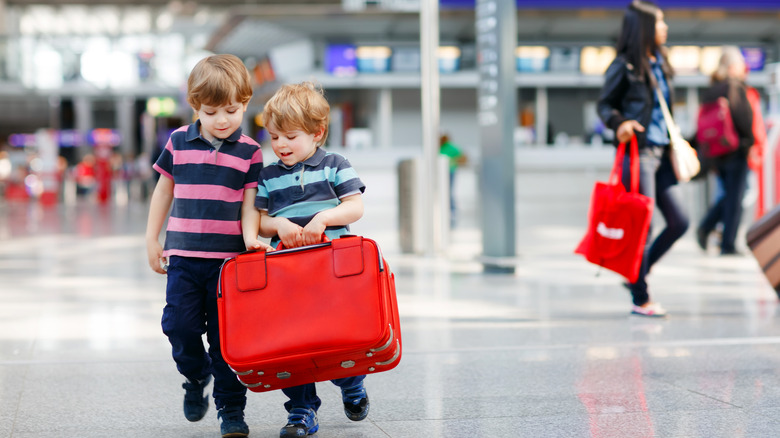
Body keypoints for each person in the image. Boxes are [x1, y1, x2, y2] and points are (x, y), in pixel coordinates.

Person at [145, 54, 273, 438]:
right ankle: (196, 375)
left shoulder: (250, 151)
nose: (222, 120)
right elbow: (164, 188)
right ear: (194, 105)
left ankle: (231, 411)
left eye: (232, 110)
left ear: (246, 104)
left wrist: (252, 241)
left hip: (229, 264)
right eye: (211, 110)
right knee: (178, 326)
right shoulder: (178, 141)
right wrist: (152, 237)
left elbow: (251, 202)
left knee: (226, 343)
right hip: (183, 257)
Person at [246, 81, 367, 437]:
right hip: (287, 277)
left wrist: (323, 219)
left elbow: (355, 206)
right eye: (274, 137)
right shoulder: (267, 176)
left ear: (318, 132)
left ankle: (351, 382)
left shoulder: (334, 165)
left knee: (336, 338)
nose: (281, 145)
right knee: (292, 345)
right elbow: (260, 221)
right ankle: (301, 409)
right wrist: (278, 224)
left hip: (331, 274)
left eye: (290, 136)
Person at [597, 0, 687, 318]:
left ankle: (637, 272)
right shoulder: (625, 65)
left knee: (679, 221)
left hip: (662, 153)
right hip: (639, 153)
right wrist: (619, 122)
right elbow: (605, 105)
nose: (665, 28)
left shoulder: (660, 62)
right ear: (646, 28)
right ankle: (641, 298)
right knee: (642, 227)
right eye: (660, 23)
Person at [695, 47, 755, 256]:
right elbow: (743, 118)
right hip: (735, 150)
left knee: (729, 195)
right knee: (735, 197)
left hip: (716, 151)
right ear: (731, 66)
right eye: (740, 64)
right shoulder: (733, 86)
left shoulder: (711, 88)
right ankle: (726, 243)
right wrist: (749, 142)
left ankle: (707, 228)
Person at [439, 134, 467, 227]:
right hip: (440, 173)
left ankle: (452, 211)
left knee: (449, 192)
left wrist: (453, 161)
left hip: (450, 172)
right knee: (442, 192)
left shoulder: (450, 147)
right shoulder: (439, 147)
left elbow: (463, 157)